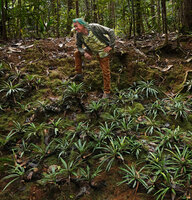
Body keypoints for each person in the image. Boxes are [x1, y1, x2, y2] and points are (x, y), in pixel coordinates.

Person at [72, 18, 115, 98]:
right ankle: (79, 74)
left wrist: (111, 46)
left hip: (103, 49)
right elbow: (78, 46)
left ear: (82, 24)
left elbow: (111, 31)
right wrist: (84, 53)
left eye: (76, 26)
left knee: (105, 71)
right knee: (77, 53)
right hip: (91, 49)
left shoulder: (94, 27)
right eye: (74, 27)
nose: (75, 28)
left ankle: (107, 91)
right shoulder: (79, 34)